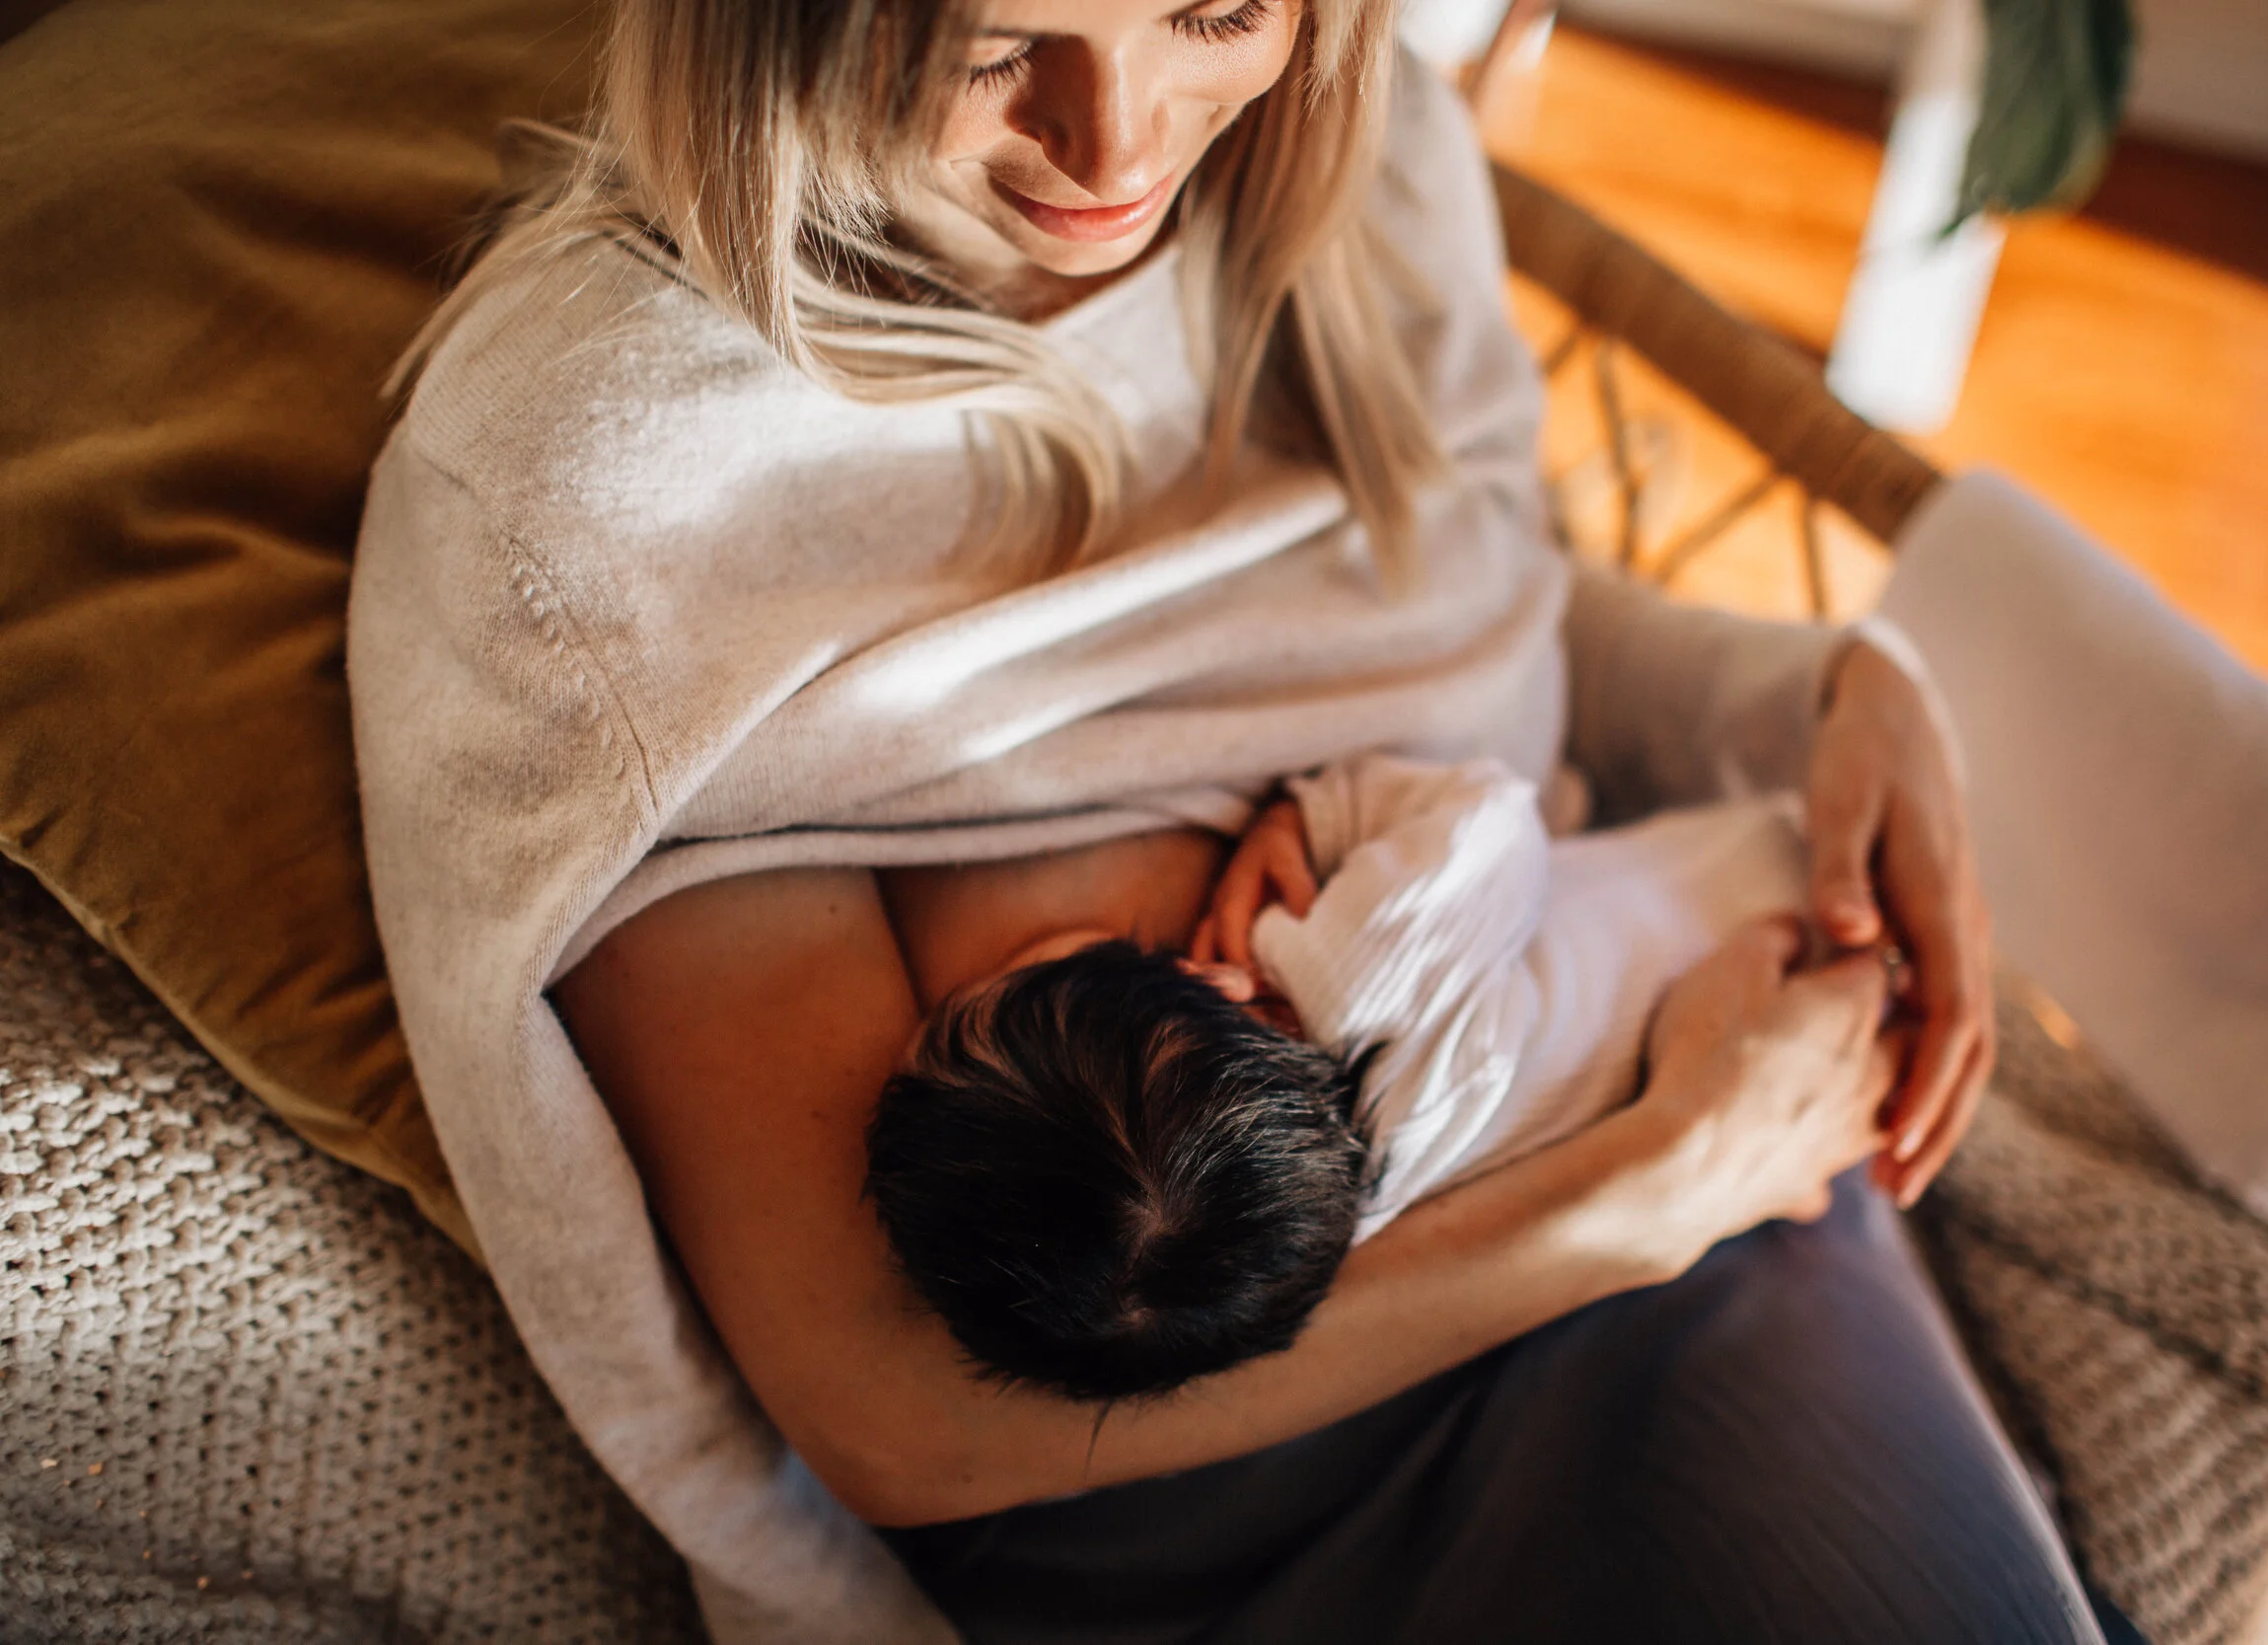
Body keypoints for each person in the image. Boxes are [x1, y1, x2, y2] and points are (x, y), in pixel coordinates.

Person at [348, 0, 2110, 1637]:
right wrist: (1637, 1192)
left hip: (1666, 1115)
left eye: (1215, 8)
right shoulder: (604, 510)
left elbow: (1471, 592)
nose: (1116, 149)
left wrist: (1818, 693)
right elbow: (902, 1410)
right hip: (1206, 1473)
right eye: (996, 42)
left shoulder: (1365, 162)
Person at [866, 760, 1820, 1404]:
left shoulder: (1348, 1228)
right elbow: (1493, 812)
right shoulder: (1356, 968)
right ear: (1219, 981)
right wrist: (1314, 814)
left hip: (1800, 1060)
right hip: (1779, 867)